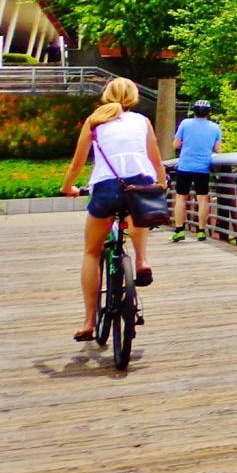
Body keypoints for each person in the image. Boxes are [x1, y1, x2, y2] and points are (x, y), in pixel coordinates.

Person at [61, 76, 166, 342]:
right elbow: (155, 161)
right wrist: (161, 184)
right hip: (139, 184)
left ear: (107, 94)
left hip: (107, 187)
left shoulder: (95, 121)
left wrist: (68, 187)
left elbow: (77, 163)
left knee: (91, 252)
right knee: (138, 211)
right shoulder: (142, 121)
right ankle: (141, 261)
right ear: (134, 97)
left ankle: (89, 322)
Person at [170, 99, 221, 242]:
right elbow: (218, 149)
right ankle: (201, 231)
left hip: (185, 166)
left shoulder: (185, 123)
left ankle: (179, 230)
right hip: (203, 167)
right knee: (203, 198)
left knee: (181, 197)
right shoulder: (215, 127)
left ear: (194, 111)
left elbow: (176, 144)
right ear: (208, 112)